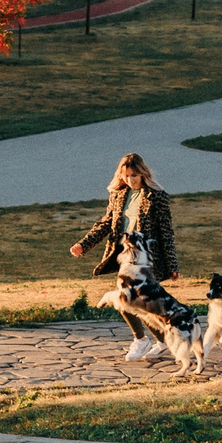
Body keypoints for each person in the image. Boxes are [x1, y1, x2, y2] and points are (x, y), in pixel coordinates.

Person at [70, 152, 180, 360]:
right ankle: (156, 341)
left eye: (134, 175)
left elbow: (166, 233)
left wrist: (173, 264)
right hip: (124, 257)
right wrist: (83, 245)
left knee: (132, 300)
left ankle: (144, 340)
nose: (130, 180)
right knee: (133, 301)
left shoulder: (156, 196)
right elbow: (105, 224)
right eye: (126, 176)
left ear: (143, 173)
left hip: (145, 259)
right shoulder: (118, 195)